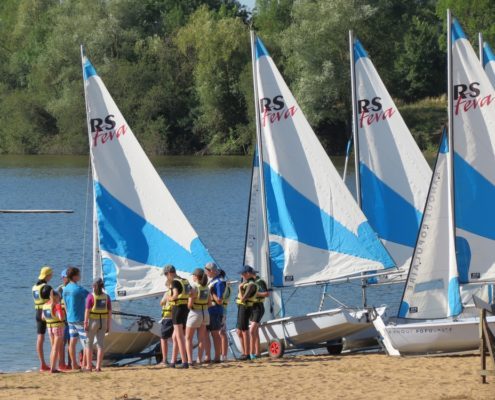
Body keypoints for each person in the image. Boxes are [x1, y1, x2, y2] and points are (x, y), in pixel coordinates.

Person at [62, 266, 89, 370]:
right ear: (74, 276)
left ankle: (74, 364)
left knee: (72, 342)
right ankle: (84, 365)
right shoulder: (79, 289)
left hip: (70, 319)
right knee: (86, 342)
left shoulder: (65, 289)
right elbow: (91, 297)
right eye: (78, 274)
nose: (80, 276)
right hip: (80, 318)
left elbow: (64, 303)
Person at [165, 265, 190, 369]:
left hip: (178, 309)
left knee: (179, 336)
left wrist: (169, 298)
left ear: (170, 273)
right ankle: (173, 361)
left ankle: (185, 362)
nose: (166, 277)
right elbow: (193, 293)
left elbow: (175, 295)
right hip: (185, 309)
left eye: (166, 275)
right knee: (175, 336)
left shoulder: (174, 282)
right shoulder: (185, 281)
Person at [84, 278, 111, 372]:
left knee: (89, 343)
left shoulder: (90, 297)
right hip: (103, 322)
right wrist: (108, 325)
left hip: (93, 322)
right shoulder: (107, 297)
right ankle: (98, 367)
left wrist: (85, 323)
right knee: (100, 344)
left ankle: (88, 366)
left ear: (93, 286)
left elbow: (87, 311)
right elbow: (109, 312)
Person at [185, 268, 211, 366]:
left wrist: (191, 306)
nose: (192, 277)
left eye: (193, 275)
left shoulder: (194, 287)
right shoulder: (207, 288)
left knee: (188, 338)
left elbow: (189, 304)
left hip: (195, 313)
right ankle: (199, 359)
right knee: (201, 338)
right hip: (205, 313)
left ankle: (190, 361)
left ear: (196, 277)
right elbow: (210, 303)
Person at [32, 265, 53, 372]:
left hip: (37, 312)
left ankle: (43, 364)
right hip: (46, 312)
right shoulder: (47, 287)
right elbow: (53, 301)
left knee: (40, 338)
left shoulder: (34, 287)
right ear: (48, 275)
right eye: (51, 275)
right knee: (53, 336)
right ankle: (53, 363)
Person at [236, 266, 258, 361]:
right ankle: (244, 352)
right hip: (242, 307)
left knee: (245, 330)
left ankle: (247, 354)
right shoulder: (248, 283)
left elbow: (243, 298)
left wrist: (240, 288)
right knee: (240, 331)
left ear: (248, 273)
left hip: (245, 308)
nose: (242, 275)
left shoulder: (251, 284)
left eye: (244, 273)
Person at [205, 262, 225, 363]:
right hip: (208, 310)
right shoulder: (212, 281)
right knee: (205, 333)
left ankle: (217, 357)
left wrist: (212, 293)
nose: (206, 273)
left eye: (207, 271)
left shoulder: (219, 282)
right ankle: (207, 357)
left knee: (215, 334)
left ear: (212, 271)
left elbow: (219, 300)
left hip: (215, 311)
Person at [42, 289, 66, 373]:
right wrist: (63, 312)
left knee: (53, 348)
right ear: (55, 297)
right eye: (59, 297)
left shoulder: (45, 305)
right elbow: (61, 318)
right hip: (58, 327)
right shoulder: (57, 305)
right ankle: (53, 368)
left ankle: (51, 366)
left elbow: (43, 317)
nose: (59, 298)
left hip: (49, 327)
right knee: (56, 348)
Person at [250, 272, 270, 359]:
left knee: (252, 330)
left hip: (258, 307)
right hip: (251, 307)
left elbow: (266, 293)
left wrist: (255, 293)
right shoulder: (250, 282)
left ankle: (251, 353)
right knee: (255, 331)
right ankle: (258, 353)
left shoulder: (260, 281)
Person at [57, 269, 70, 369]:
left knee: (71, 341)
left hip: (72, 318)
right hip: (63, 319)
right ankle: (61, 363)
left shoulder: (74, 288)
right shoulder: (59, 290)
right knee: (62, 342)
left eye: (68, 277)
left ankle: (70, 363)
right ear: (62, 278)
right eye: (65, 277)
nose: (67, 279)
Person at [159, 279, 174, 366]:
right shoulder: (179, 292)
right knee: (175, 338)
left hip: (167, 318)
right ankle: (180, 358)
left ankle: (164, 360)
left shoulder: (167, 293)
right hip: (176, 318)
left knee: (163, 338)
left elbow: (161, 303)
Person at [219, 269, 231, 361]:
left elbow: (221, 298)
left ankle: (223, 355)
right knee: (221, 333)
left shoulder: (223, 285)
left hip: (222, 310)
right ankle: (222, 354)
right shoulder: (225, 285)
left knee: (222, 333)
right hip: (223, 310)